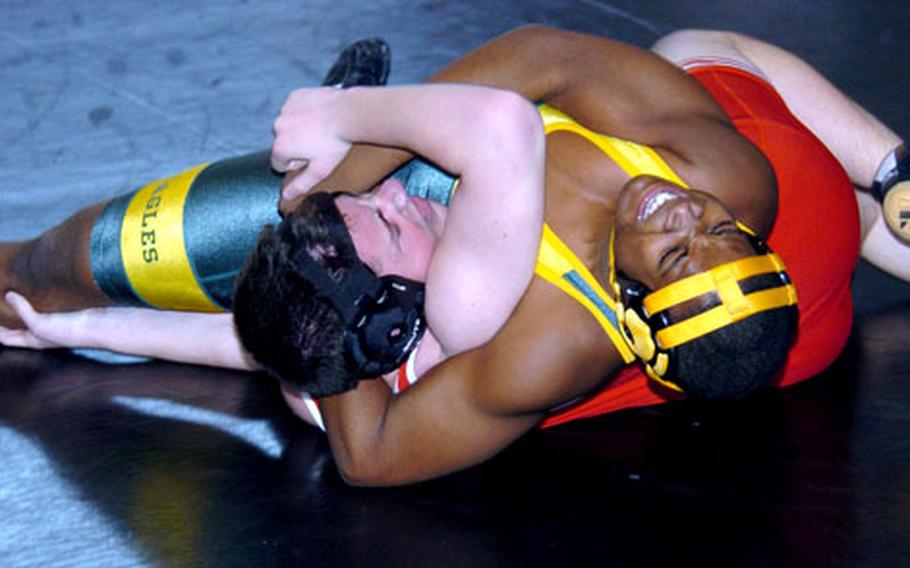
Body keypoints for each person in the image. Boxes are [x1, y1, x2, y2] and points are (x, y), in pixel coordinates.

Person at [2, 27, 908, 484]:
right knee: (698, 56)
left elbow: (367, 453)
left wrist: (329, 304)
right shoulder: (727, 178)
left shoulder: (542, 339)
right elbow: (534, 59)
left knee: (100, 270)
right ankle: (890, 183)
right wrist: (335, 182)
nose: (683, 212)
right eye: (715, 230)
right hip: (804, 214)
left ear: (626, 292)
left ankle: (878, 212)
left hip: (799, 330)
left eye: (675, 248)